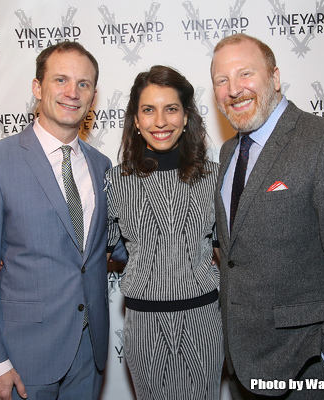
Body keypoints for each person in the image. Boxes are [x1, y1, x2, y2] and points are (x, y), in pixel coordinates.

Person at [210, 33, 324, 399]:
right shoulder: (227, 153)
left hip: (306, 363)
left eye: (245, 74)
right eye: (221, 81)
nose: (234, 89)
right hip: (243, 363)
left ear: (274, 77)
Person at [0, 42, 123, 400]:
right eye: (60, 79)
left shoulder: (102, 166)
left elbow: (114, 246)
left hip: (88, 352)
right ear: (37, 87)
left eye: (83, 84)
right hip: (21, 357)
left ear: (93, 96)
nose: (72, 93)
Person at [106, 65, 224, 399]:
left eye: (171, 109)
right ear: (136, 120)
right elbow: (92, 254)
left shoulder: (215, 177)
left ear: (186, 117)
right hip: (143, 324)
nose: (160, 121)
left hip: (204, 321)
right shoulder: (116, 181)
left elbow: (231, 257)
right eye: (149, 110)